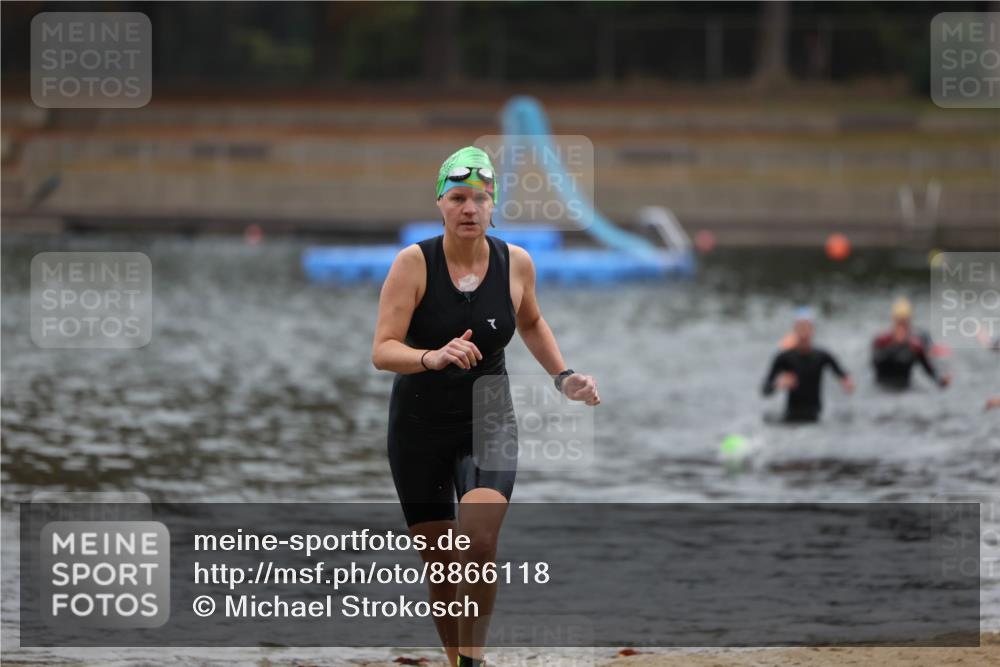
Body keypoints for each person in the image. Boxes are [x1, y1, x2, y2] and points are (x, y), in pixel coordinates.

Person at [371, 146, 600, 667]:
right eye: (458, 197)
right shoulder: (413, 264)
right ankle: (458, 660)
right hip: (418, 426)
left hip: (487, 415)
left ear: (494, 202)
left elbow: (532, 323)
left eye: (479, 196)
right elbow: (382, 350)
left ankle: (473, 661)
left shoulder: (515, 262)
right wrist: (432, 356)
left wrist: (564, 377)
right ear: (441, 204)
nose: (469, 207)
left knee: (476, 544)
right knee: (442, 567)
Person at [762, 307, 854, 423]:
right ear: (795, 330)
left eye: (807, 328)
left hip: (816, 415)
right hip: (791, 415)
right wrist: (778, 384)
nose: (804, 332)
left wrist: (847, 383)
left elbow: (843, 375)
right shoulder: (784, 358)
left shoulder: (823, 356)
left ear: (812, 330)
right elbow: (764, 390)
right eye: (800, 328)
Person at [871, 297, 951, 390]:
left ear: (909, 322)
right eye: (899, 323)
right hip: (882, 388)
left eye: (904, 323)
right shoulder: (881, 341)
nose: (901, 328)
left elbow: (928, 369)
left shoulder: (915, 346)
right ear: (893, 321)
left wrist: (941, 381)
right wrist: (895, 345)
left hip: (904, 388)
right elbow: (875, 364)